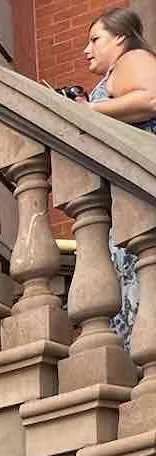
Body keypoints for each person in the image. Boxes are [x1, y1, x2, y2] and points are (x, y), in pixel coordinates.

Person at [67, 9, 156, 345]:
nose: (86, 50)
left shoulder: (131, 57)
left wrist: (89, 110)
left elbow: (151, 98)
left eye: (95, 39)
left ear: (120, 37)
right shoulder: (115, 73)